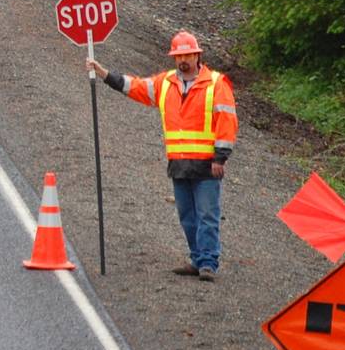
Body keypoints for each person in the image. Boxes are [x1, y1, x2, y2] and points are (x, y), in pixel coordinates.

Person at [87, 30, 236, 281]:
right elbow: (135, 87)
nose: (182, 60)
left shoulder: (216, 84)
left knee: (207, 215)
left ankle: (208, 263)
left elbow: (227, 120)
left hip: (207, 165)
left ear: (197, 55)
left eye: (187, 54)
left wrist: (220, 157)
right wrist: (104, 74)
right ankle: (197, 259)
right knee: (187, 215)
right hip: (178, 163)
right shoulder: (165, 83)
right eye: (178, 56)